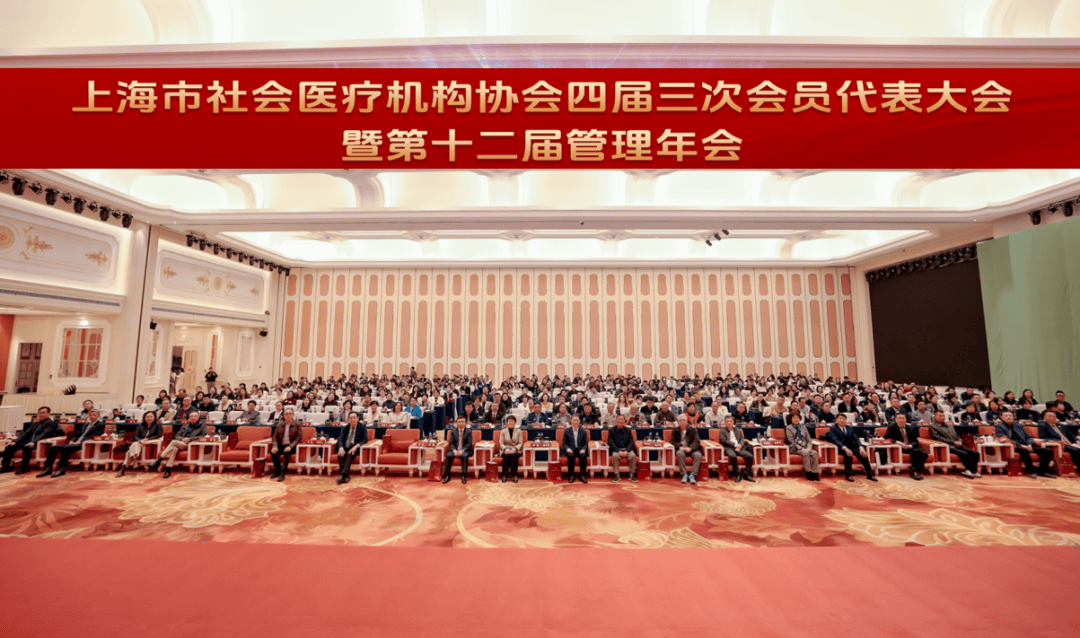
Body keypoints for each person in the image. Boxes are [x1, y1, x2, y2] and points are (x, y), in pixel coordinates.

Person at [37, 408, 106, 478]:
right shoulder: (85, 424)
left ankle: (61, 469)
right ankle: (48, 469)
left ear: (98, 416)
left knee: (66, 449)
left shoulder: (100, 425)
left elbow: (94, 436)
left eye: (94, 415)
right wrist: (72, 440)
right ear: (88, 416)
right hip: (75, 443)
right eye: (90, 415)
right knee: (54, 448)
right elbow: (78, 435)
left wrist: (80, 442)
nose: (92, 416)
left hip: (84, 444)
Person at [1, 407, 62, 475]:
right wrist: (15, 441)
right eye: (40, 413)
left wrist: (34, 442)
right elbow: (25, 433)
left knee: (27, 447)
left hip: (40, 442)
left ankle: (24, 468)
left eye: (43, 413)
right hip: (29, 441)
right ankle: (5, 467)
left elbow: (44, 434)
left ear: (49, 413)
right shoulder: (36, 423)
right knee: (9, 447)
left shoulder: (52, 423)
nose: (41, 414)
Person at [148, 412, 208, 479]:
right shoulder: (186, 425)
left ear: (198, 417)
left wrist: (190, 439)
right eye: (191, 416)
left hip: (191, 444)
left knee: (173, 442)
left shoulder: (202, 425)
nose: (193, 418)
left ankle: (159, 460)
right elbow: (177, 436)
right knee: (174, 449)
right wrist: (182, 439)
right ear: (189, 418)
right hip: (181, 443)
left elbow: (204, 435)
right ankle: (168, 470)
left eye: (195, 416)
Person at [996, 410, 1053, 479]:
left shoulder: (1018, 426)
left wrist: (1029, 444)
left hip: (1027, 445)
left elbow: (1028, 437)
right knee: (1024, 450)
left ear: (1013, 417)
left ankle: (1041, 471)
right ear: (1001, 418)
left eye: (1010, 415)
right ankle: (1032, 471)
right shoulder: (999, 427)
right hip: (1015, 446)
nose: (1008, 417)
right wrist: (1021, 445)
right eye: (1006, 416)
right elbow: (1005, 439)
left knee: (1049, 451)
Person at [928, 410, 980, 479]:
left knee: (975, 453)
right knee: (965, 454)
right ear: (935, 416)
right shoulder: (933, 426)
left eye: (943, 416)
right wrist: (953, 442)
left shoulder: (950, 425)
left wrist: (960, 441)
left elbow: (957, 435)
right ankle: (968, 470)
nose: (942, 417)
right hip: (947, 446)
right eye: (940, 416)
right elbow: (938, 438)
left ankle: (974, 471)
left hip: (957, 444)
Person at [827, 414, 877, 482]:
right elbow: (835, 440)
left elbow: (856, 439)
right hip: (840, 447)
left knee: (863, 455)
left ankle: (870, 475)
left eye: (844, 419)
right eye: (840, 418)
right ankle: (848, 475)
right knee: (848, 455)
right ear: (836, 420)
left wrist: (861, 448)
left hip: (851, 447)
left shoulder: (849, 428)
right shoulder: (833, 428)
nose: (842, 420)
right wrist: (845, 448)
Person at [115, 411, 162, 477]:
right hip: (140, 443)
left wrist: (148, 439)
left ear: (154, 417)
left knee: (131, 449)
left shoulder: (158, 425)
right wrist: (140, 440)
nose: (149, 418)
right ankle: (133, 459)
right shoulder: (140, 425)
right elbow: (136, 436)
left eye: (151, 417)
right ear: (144, 418)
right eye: (147, 417)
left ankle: (124, 468)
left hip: (150, 443)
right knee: (135, 444)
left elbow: (159, 435)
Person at [886, 413, 927, 480]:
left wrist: (910, 445)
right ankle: (915, 471)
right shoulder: (891, 427)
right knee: (917, 452)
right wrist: (899, 443)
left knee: (924, 454)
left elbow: (915, 441)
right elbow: (887, 438)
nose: (901, 420)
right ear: (896, 419)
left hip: (909, 446)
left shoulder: (910, 428)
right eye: (899, 418)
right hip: (899, 447)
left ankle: (916, 469)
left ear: (906, 419)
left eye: (903, 418)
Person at [268, 407, 303, 481]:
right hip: (281, 445)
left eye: (290, 413)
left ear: (293, 415)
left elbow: (298, 438)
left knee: (286, 452)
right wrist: (275, 446)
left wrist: (290, 446)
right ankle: (277, 471)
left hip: (292, 446)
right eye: (286, 414)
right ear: (283, 415)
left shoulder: (297, 424)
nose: (288, 415)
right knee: (274, 452)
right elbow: (274, 437)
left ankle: (283, 473)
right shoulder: (280, 424)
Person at [718, 415, 755, 483]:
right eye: (727, 421)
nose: (729, 422)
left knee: (750, 456)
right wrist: (735, 445)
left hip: (739, 448)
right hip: (729, 448)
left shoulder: (738, 430)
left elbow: (742, 439)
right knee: (733, 456)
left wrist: (740, 445)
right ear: (725, 423)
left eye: (730, 421)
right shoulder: (722, 431)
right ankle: (738, 474)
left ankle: (747, 474)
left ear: (733, 422)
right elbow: (724, 441)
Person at [784, 412, 820, 481]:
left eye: (797, 418)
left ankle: (815, 473)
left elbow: (809, 440)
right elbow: (792, 441)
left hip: (806, 447)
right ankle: (808, 473)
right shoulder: (788, 428)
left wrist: (809, 447)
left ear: (800, 419)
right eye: (794, 418)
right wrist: (802, 449)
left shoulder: (803, 427)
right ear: (790, 419)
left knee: (814, 453)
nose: (796, 419)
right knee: (805, 453)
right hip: (796, 448)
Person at [336, 411, 368, 484]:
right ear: (348, 419)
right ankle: (345, 476)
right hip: (346, 446)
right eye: (350, 418)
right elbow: (341, 438)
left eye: (354, 418)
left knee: (350, 454)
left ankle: (343, 475)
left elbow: (365, 439)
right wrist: (341, 448)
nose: (352, 419)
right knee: (340, 455)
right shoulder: (345, 428)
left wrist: (356, 446)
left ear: (357, 418)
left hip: (355, 447)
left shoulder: (362, 427)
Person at [442, 415, 473, 484]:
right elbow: (451, 443)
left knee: (465, 456)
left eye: (463, 422)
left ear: (465, 423)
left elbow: (469, 443)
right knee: (448, 455)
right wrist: (454, 451)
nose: (461, 423)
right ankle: (447, 475)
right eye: (459, 422)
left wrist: (462, 450)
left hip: (464, 450)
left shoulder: (468, 431)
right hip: (455, 450)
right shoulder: (453, 431)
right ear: (456, 423)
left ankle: (463, 476)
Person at [673, 414, 703, 485]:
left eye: (684, 420)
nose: (682, 422)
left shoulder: (693, 430)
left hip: (691, 449)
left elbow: (697, 440)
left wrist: (690, 448)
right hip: (681, 449)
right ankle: (684, 474)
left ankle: (692, 475)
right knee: (679, 453)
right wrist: (679, 447)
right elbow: (673, 441)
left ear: (687, 421)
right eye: (680, 420)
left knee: (698, 455)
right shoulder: (675, 430)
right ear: (678, 422)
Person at [608, 414, 638, 483]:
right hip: (616, 449)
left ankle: (632, 475)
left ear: (624, 421)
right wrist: (618, 450)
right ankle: (617, 475)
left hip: (627, 449)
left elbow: (631, 442)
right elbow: (610, 442)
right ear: (616, 420)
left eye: (622, 419)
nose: (620, 421)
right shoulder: (611, 430)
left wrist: (627, 450)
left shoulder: (628, 430)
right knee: (615, 456)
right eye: (619, 419)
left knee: (633, 456)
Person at [561, 415, 589, 483]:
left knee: (583, 456)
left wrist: (583, 449)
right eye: (574, 420)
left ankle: (582, 475)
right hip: (571, 450)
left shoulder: (583, 431)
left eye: (577, 420)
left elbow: (586, 443)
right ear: (571, 421)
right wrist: (567, 449)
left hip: (580, 450)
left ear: (579, 421)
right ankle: (571, 475)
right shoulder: (567, 431)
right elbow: (564, 442)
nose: (575, 422)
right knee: (570, 456)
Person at [499, 415, 523, 483]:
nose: (511, 422)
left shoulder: (519, 431)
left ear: (515, 422)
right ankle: (504, 475)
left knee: (514, 455)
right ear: (507, 422)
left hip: (515, 450)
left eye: (512, 421)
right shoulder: (503, 431)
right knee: (506, 456)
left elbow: (520, 443)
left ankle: (514, 475)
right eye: (509, 421)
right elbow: (501, 443)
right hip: (505, 449)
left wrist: (515, 449)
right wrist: (505, 449)